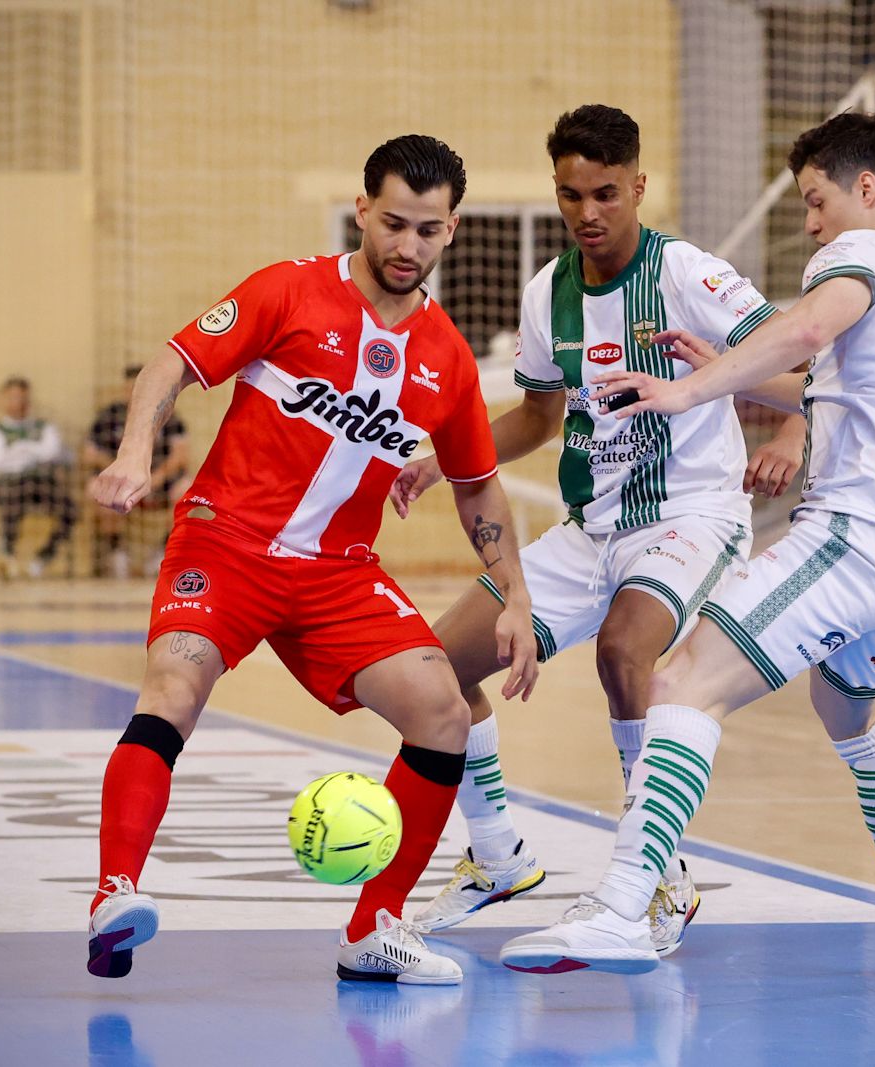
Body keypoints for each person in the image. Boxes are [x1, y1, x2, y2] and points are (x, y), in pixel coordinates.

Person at [500, 112, 875, 982]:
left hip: (853, 539)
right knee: (853, 720)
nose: (812, 224)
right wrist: (728, 361)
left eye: (818, 201)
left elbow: (801, 333)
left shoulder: (852, 258)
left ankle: (624, 905)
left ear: (867, 190)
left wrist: (691, 390)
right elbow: (824, 386)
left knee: (679, 682)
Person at [84, 135, 539, 986]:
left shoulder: (445, 357)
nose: (408, 247)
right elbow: (173, 363)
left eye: (428, 231)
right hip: (227, 544)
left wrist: (513, 594)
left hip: (338, 571)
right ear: (362, 211)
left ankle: (375, 928)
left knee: (444, 711)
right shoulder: (288, 288)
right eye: (394, 223)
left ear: (452, 232)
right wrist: (136, 450)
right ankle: (115, 895)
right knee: (173, 689)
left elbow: (478, 488)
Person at [388, 104, 807, 956]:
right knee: (431, 673)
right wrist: (446, 454)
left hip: (690, 517)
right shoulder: (548, 292)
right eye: (570, 195)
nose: (587, 213)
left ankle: (653, 873)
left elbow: (797, 363)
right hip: (590, 531)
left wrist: (797, 432)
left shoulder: (689, 274)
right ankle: (498, 853)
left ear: (638, 188)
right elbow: (541, 416)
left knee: (625, 651)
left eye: (605, 193)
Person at [83, 364, 190, 578]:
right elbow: (88, 454)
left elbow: (181, 456)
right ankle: (117, 552)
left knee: (186, 489)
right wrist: (118, 467)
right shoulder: (109, 416)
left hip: (158, 479)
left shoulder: (167, 413)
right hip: (122, 481)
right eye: (129, 389)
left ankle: (164, 551)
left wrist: (157, 476)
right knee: (94, 488)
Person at [0, 376, 77, 578]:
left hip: (42, 485)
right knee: (13, 498)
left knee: (70, 510)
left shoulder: (44, 427)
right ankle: (7, 552)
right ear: (4, 400)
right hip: (11, 486)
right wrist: (33, 452)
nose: (19, 402)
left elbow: (52, 452)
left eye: (23, 397)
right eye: (14, 397)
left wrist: (18, 450)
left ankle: (43, 557)